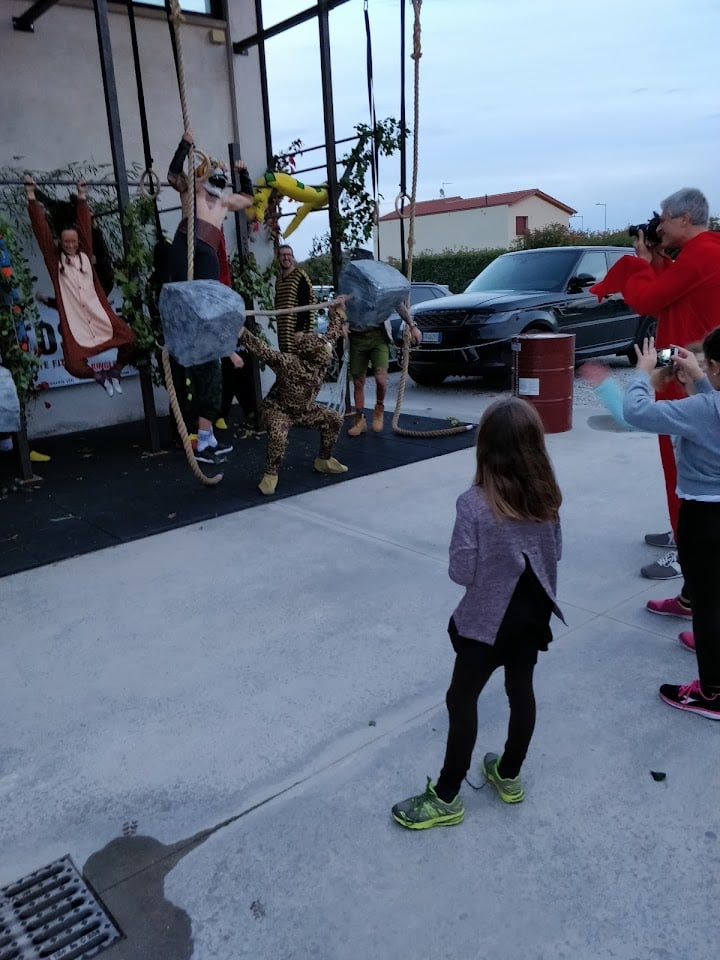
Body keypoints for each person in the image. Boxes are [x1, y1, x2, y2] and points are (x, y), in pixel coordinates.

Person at [391, 397, 563, 829]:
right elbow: (555, 552)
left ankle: (448, 795)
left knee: (461, 698)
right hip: (533, 613)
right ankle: (509, 773)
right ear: (536, 446)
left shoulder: (473, 503)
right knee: (520, 688)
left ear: (484, 447)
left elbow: (461, 572)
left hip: (488, 623)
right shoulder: (548, 497)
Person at [590, 188, 720, 586]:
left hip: (690, 368)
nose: (658, 226)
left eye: (663, 219)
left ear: (684, 218)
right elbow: (673, 302)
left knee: (682, 459)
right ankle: (681, 527)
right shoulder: (704, 252)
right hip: (685, 357)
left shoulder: (701, 256)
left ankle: (688, 550)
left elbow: (647, 300)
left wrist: (642, 264)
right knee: (684, 460)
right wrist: (657, 260)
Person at [623, 334, 720, 719]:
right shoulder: (707, 403)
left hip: (704, 518)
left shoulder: (702, 409)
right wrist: (698, 378)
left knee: (708, 607)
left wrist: (644, 374)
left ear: (715, 367)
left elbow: (636, 412)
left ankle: (711, 694)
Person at [166, 131, 255, 465]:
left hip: (206, 250)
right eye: (213, 170)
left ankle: (207, 437)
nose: (217, 174)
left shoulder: (224, 200)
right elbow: (174, 174)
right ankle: (223, 350)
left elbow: (247, 198)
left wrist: (242, 172)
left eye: (221, 173)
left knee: (211, 316)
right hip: (189, 246)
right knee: (201, 311)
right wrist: (185, 145)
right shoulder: (194, 190)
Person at [25, 176, 137, 396]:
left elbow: (85, 228)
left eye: (74, 241)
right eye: (66, 242)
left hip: (99, 315)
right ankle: (100, 377)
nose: (71, 245)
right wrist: (31, 196)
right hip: (76, 324)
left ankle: (114, 371)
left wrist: (83, 197)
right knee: (73, 365)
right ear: (61, 241)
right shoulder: (55, 261)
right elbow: (42, 234)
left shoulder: (86, 254)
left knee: (131, 341)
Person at [238, 300, 349, 495]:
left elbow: (332, 333)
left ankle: (324, 460)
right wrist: (239, 331)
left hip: (305, 410)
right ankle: (271, 474)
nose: (328, 352)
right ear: (314, 355)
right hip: (278, 410)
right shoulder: (289, 363)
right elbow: (262, 350)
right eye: (325, 351)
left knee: (335, 419)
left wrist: (337, 311)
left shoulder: (321, 359)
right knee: (279, 435)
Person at [346, 309, 421, 437]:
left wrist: (412, 326)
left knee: (381, 379)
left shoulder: (382, 289)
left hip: (379, 338)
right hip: (357, 338)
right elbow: (339, 308)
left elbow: (397, 302)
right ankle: (359, 419)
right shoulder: (353, 289)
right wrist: (341, 321)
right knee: (358, 382)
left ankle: (379, 409)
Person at [274, 244, 316, 352]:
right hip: (284, 332)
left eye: (288, 255)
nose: (286, 258)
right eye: (283, 255)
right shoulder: (278, 281)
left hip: (298, 333)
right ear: (278, 257)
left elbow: (305, 303)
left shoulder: (299, 276)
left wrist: (300, 329)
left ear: (292, 257)